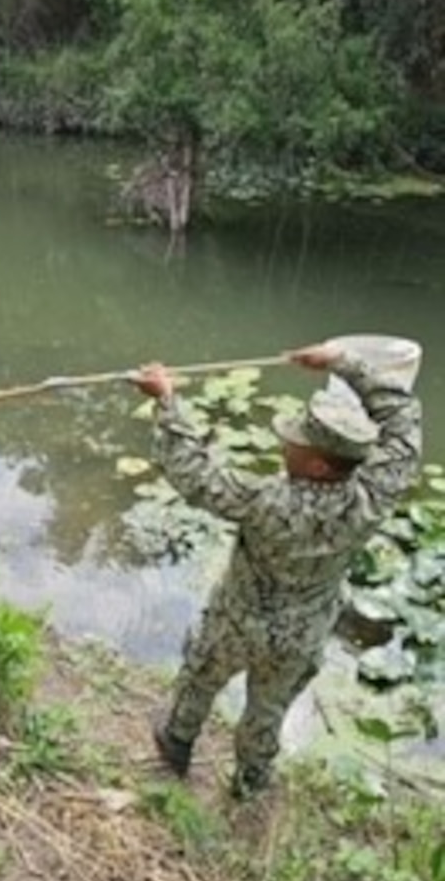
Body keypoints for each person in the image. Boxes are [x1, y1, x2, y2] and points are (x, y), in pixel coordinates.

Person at [133, 341, 422, 798]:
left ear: (319, 463)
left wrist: (167, 402)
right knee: (267, 710)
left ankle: (177, 743)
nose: (287, 441)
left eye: (297, 441)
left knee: (201, 676)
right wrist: (343, 364)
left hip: (236, 620)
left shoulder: (264, 500)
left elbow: (193, 473)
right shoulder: (372, 499)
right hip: (302, 634)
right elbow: (402, 423)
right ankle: (250, 782)